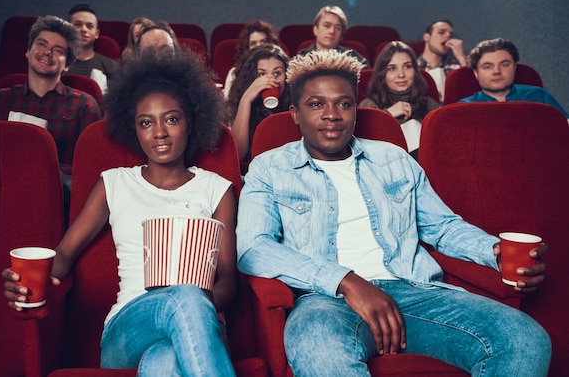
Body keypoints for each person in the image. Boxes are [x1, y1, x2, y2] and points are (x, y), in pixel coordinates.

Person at [236, 49, 551, 376]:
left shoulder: (393, 159)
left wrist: (494, 252)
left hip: (412, 291)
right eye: (316, 104)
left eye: (344, 103)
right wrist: (345, 281)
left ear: (355, 110)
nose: (332, 114)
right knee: (323, 355)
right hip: (324, 301)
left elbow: (441, 227)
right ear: (295, 114)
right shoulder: (270, 168)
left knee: (525, 339)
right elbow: (253, 247)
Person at [2, 48, 238, 376]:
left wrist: (192, 311)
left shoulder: (217, 188)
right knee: (183, 297)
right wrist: (30, 282)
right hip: (127, 328)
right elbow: (65, 254)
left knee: (164, 362)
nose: (159, 132)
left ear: (191, 121)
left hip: (199, 324)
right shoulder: (114, 183)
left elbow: (228, 281)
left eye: (171, 118)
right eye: (146, 122)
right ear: (135, 129)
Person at [0, 15, 101, 192]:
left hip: (56, 192)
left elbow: (92, 166)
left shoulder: (84, 105)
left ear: (67, 64)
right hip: (0, 187)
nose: (48, 52)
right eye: (42, 44)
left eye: (58, 50)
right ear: (28, 51)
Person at [359, 41, 440, 154]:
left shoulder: (428, 104)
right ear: (382, 74)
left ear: (415, 71)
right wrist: (387, 115)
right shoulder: (369, 105)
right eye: (392, 68)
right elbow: (361, 144)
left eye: (407, 66)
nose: (401, 75)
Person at [459, 38, 569, 118]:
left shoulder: (539, 96)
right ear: (476, 73)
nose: (497, 71)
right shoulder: (464, 107)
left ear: (514, 67)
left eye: (505, 65)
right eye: (487, 67)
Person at [227, 44, 291, 163]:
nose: (270, 80)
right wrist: (246, 99)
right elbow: (237, 157)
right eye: (262, 74)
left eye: (277, 73)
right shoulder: (242, 103)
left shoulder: (295, 105)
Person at [67, 3, 119, 91]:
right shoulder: (56, 62)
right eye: (78, 24)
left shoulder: (111, 66)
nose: (84, 29)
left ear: (97, 34)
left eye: (89, 26)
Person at [222, 20, 281, 98]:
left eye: (263, 41)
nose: (259, 46)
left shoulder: (281, 70)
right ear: (247, 48)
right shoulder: (235, 73)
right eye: (253, 43)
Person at [297, 5, 369, 69]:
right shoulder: (301, 60)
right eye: (327, 25)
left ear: (341, 34)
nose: (332, 31)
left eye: (338, 28)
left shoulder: (353, 59)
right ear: (315, 29)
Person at [417, 19, 468, 103]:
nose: (448, 36)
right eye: (441, 32)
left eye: (451, 35)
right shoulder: (412, 66)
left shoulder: (457, 67)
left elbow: (470, 89)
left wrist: (461, 57)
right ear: (427, 37)